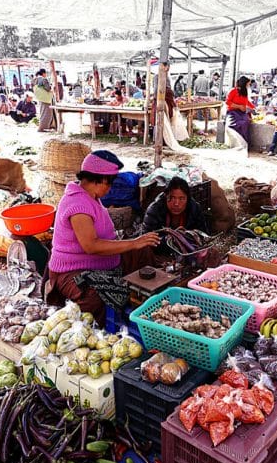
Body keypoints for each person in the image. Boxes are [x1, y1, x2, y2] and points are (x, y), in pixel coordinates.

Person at [46, 150, 160, 324]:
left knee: (143, 251)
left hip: (102, 261)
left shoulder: (91, 197)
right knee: (95, 295)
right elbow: (91, 246)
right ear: (100, 179)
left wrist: (137, 244)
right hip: (70, 272)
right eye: (110, 182)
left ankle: (146, 301)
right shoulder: (77, 204)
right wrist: (133, 243)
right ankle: (97, 330)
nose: (110, 188)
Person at [142, 176, 209, 233]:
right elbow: (146, 238)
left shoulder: (195, 209)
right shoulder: (154, 210)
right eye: (172, 198)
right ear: (166, 196)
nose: (176, 204)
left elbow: (203, 234)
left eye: (181, 198)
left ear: (187, 199)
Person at [225, 75, 254, 145]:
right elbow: (227, 102)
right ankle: (235, 143)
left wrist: (254, 108)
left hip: (242, 113)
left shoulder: (244, 92)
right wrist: (239, 106)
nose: (249, 85)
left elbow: (247, 101)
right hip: (232, 112)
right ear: (244, 83)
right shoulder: (233, 91)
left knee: (245, 122)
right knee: (232, 125)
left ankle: (244, 142)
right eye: (248, 84)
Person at [33, 67, 55, 132]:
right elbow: (48, 88)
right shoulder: (43, 79)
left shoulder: (35, 79)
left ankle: (42, 127)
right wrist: (52, 88)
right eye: (45, 73)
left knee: (42, 113)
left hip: (40, 98)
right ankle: (43, 128)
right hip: (46, 98)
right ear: (43, 73)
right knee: (47, 114)